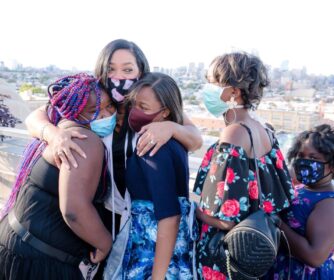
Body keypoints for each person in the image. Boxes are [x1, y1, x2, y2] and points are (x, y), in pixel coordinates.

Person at [24, 38, 202, 235]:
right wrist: (53, 134)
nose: (118, 78)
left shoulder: (151, 102)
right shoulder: (91, 97)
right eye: (111, 70)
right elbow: (35, 117)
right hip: (105, 213)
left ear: (141, 71)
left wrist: (171, 128)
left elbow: (195, 139)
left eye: (127, 70)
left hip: (147, 220)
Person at [0, 73, 114, 279]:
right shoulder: (83, 139)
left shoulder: (59, 123)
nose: (105, 115)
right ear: (75, 110)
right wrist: (105, 244)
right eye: (93, 111)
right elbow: (73, 210)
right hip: (39, 262)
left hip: (16, 241)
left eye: (109, 107)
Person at [193, 52, 295, 279]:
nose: (206, 91)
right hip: (255, 253)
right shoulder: (264, 129)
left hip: (226, 258)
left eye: (212, 84)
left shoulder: (235, 132)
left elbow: (225, 219)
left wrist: (193, 211)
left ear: (233, 92)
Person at [104, 72, 198, 280]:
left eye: (143, 108)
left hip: (151, 257)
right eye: (134, 104)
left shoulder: (154, 146)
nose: (135, 112)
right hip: (167, 254)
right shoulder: (174, 140)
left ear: (165, 112)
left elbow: (169, 217)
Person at [265, 124, 334, 279]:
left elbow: (314, 257)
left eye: (313, 158)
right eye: (301, 156)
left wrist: (277, 222)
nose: (304, 162)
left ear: (333, 165)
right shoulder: (303, 188)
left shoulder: (330, 205)